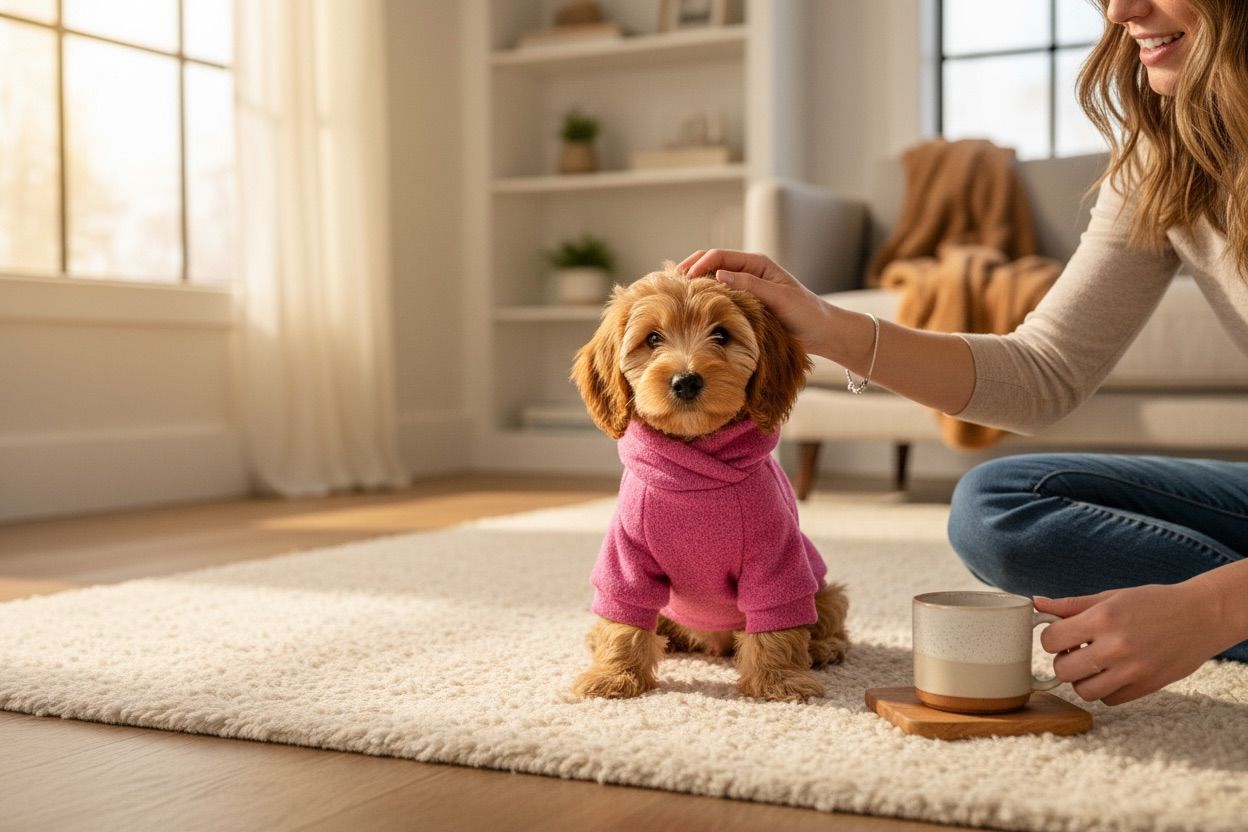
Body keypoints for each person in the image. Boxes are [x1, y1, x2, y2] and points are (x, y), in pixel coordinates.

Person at [677, 0, 1248, 707]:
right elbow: (1043, 372)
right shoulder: (1166, 153)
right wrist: (826, 325)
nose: (1122, 10)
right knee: (995, 508)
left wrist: (1212, 610)